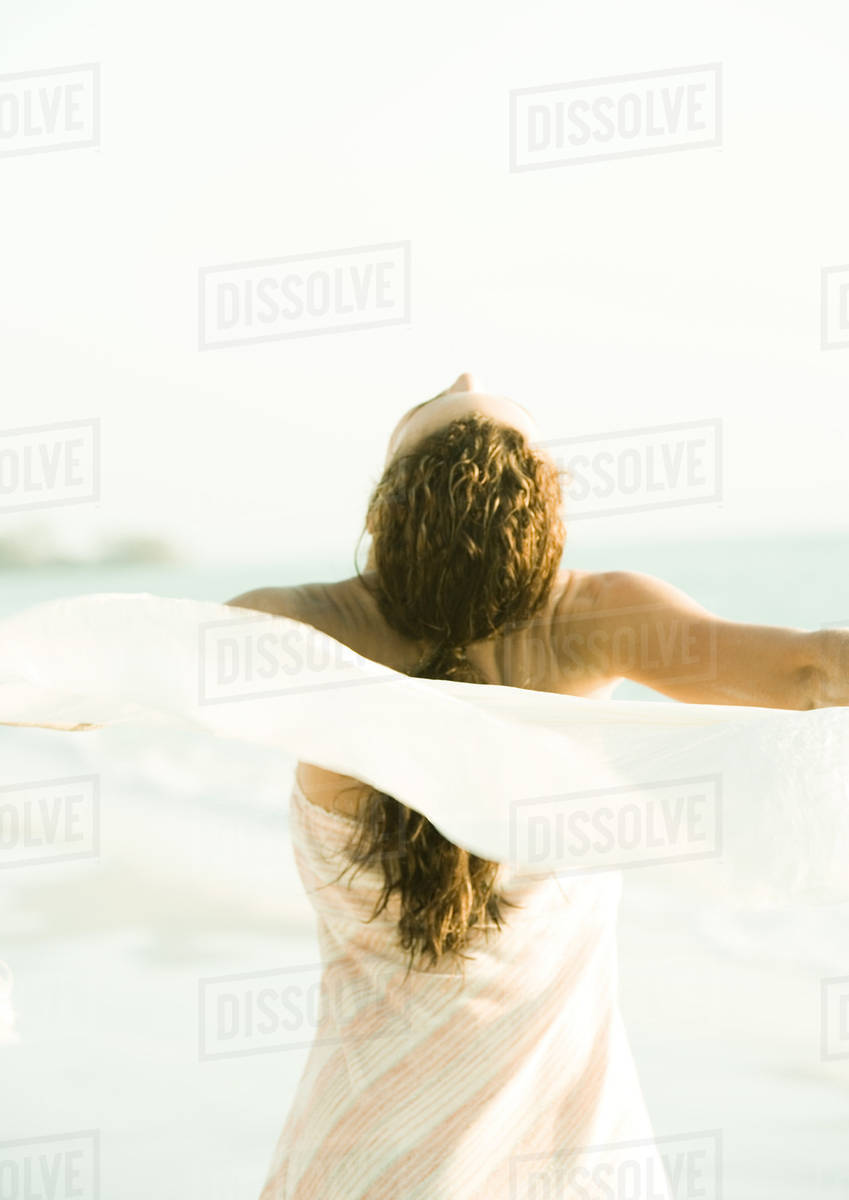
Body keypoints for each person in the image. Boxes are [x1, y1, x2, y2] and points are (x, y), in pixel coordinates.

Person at [227, 374, 846, 1199]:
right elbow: (809, 671)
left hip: (365, 1154)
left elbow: (117, 664)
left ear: (387, 512)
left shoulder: (303, 626)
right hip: (564, 1158)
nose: (466, 378)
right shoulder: (592, 618)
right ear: (542, 507)